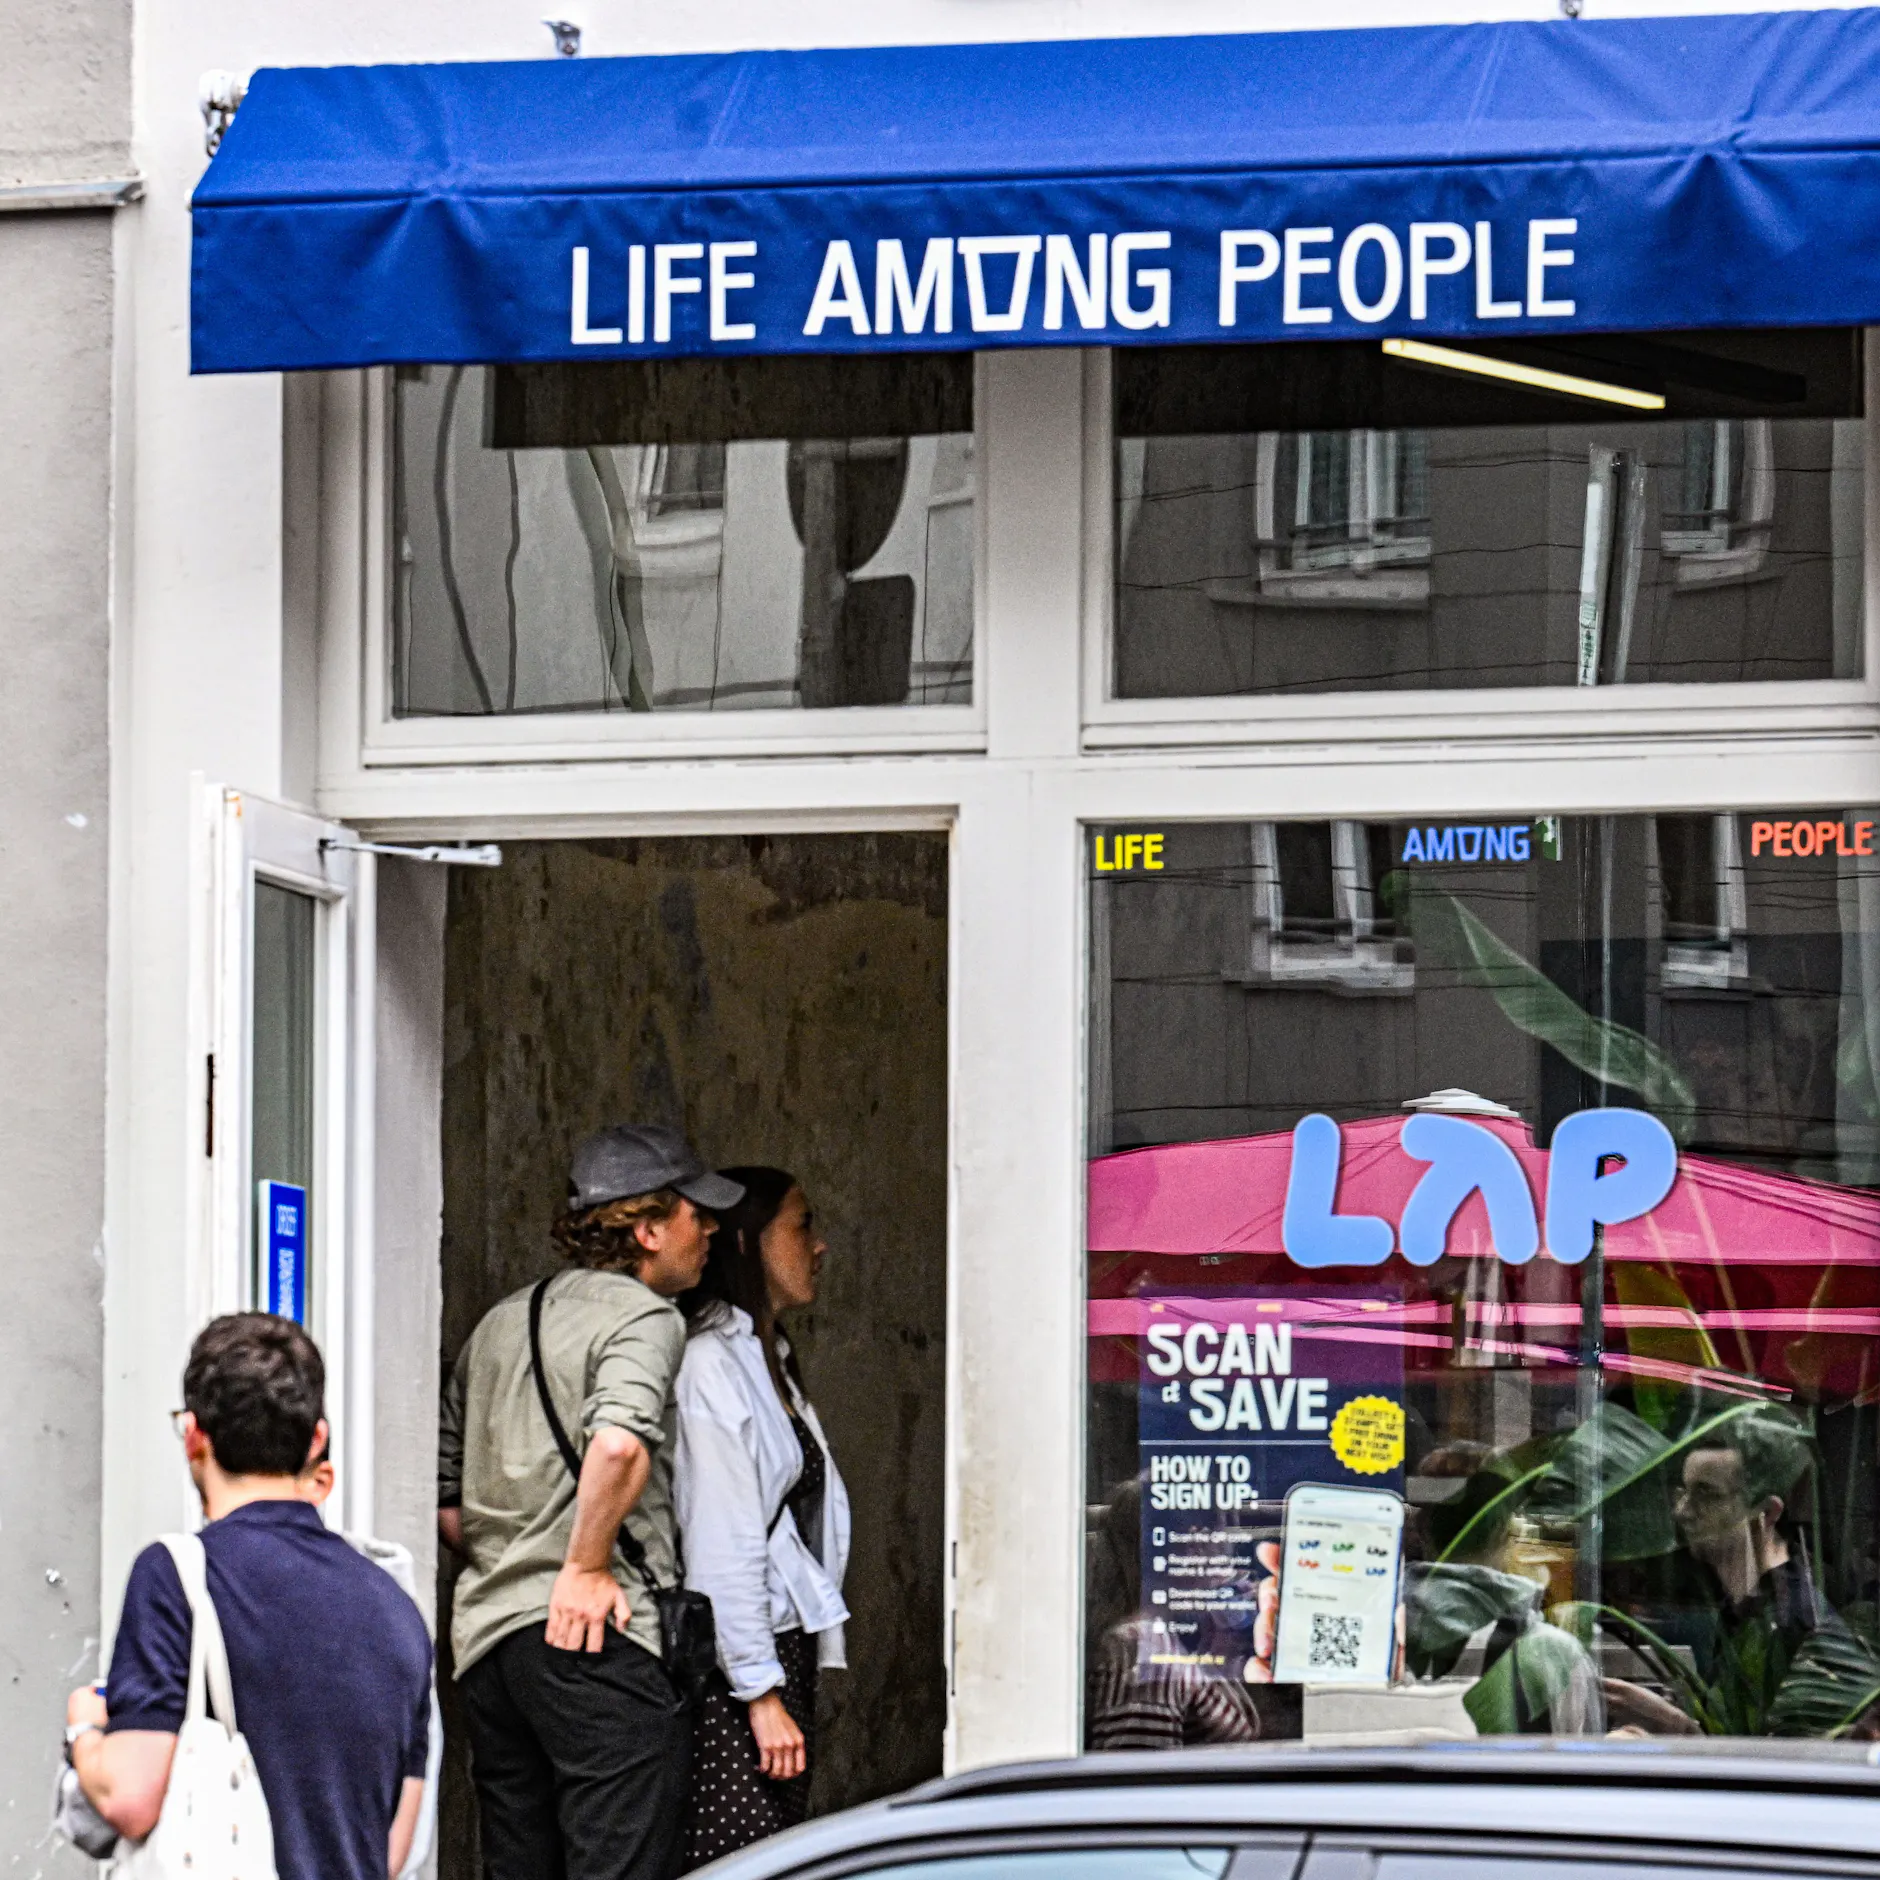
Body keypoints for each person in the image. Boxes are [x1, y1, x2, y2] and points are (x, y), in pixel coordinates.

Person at [439, 1124, 743, 1880]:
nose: (709, 1230)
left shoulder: (502, 1321)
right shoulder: (644, 1317)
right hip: (596, 1644)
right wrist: (581, 1567)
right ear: (647, 1228)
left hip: (491, 1650)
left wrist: (516, 1561)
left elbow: (448, 1499)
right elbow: (618, 1444)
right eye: (694, 1213)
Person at [66, 1314, 432, 1880]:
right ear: (316, 1439)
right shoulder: (395, 1607)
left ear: (194, 1436)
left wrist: (85, 1731)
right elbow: (391, 1850)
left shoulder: (177, 1576)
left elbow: (129, 1797)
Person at [672, 1168, 851, 1868]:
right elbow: (722, 1539)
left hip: (776, 1647)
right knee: (740, 1856)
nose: (819, 1244)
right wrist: (759, 1692)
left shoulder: (767, 1353)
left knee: (774, 1851)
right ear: (747, 1242)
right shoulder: (709, 1362)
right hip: (736, 1670)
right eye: (801, 1225)